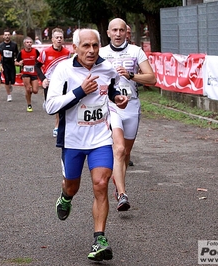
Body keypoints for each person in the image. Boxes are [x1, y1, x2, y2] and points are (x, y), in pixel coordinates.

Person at [45, 28, 128, 261]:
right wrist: (80, 91)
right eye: (86, 46)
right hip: (72, 140)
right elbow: (50, 106)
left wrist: (118, 98)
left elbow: (110, 90)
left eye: (95, 45)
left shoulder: (107, 68)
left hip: (100, 137)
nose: (91, 51)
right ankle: (65, 196)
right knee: (72, 186)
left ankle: (99, 238)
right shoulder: (64, 70)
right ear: (75, 47)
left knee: (101, 183)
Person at [99, 18, 156, 211]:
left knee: (126, 153)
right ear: (108, 33)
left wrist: (131, 75)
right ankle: (122, 194)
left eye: (121, 30)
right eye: (114, 30)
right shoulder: (101, 53)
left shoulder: (135, 51)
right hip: (111, 105)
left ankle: (118, 185)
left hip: (131, 105)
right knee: (119, 149)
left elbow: (152, 78)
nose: (117, 33)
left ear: (126, 32)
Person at [35, 28, 70, 137]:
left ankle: (57, 126)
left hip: (62, 82)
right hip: (49, 82)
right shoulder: (45, 52)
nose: (59, 39)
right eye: (57, 37)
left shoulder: (67, 53)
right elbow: (37, 66)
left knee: (60, 104)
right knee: (50, 107)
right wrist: (43, 79)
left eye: (61, 37)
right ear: (52, 39)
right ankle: (46, 102)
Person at [16, 37, 40, 112]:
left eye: (30, 42)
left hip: (34, 73)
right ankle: (29, 105)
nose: (29, 44)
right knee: (28, 89)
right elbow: (15, 62)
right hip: (25, 73)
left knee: (35, 91)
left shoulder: (36, 51)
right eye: (27, 42)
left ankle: (29, 93)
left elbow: (40, 60)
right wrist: (19, 63)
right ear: (24, 44)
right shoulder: (21, 53)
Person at [0, 29, 19, 102]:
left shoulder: (14, 44)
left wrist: (16, 59)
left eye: (8, 35)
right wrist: (0, 64)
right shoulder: (1, 46)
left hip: (12, 64)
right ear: (3, 36)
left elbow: (17, 53)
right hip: (5, 64)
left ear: (10, 36)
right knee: (6, 79)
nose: (7, 36)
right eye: (5, 35)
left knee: (12, 80)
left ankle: (10, 85)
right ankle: (9, 95)